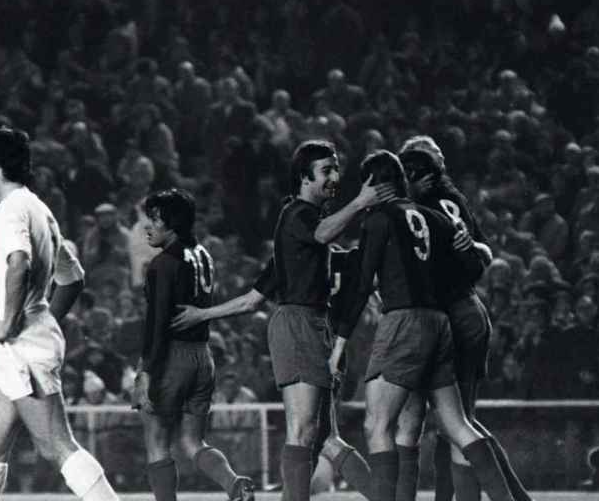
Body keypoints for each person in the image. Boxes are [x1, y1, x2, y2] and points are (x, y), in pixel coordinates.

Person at [171, 140, 392, 501]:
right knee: (303, 430)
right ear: (304, 177)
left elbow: (252, 299)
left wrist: (204, 314)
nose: (335, 176)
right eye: (327, 170)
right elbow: (323, 233)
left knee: (325, 437)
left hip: (317, 325)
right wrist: (361, 202)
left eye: (336, 168)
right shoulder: (299, 216)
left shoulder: (297, 243)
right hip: (297, 324)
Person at [330, 150, 513, 501]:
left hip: (403, 322)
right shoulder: (435, 218)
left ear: (373, 184)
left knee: (377, 425)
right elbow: (476, 265)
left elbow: (362, 284)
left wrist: (339, 344)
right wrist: (465, 242)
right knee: (456, 424)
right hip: (441, 323)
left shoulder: (378, 220)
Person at [0, 127, 117, 501]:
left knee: (58, 447)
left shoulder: (10, 210)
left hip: (21, 344)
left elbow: (19, 263)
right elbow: (73, 278)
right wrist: (43, 322)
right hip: (18, 347)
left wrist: (13, 321)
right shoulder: (40, 210)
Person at [397, 137, 532, 501]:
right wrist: (473, 247)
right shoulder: (450, 198)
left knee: (453, 424)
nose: (440, 164)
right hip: (465, 311)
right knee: (460, 423)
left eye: (437, 157)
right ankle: (516, 497)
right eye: (434, 158)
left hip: (446, 316)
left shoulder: (415, 205)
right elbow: (483, 252)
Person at [132, 188, 255, 501]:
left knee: (157, 442)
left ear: (172, 224)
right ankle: (234, 484)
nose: (148, 226)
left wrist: (145, 372)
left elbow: (157, 324)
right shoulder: (204, 254)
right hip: (202, 356)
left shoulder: (161, 264)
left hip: (170, 357)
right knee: (193, 442)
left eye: (155, 219)